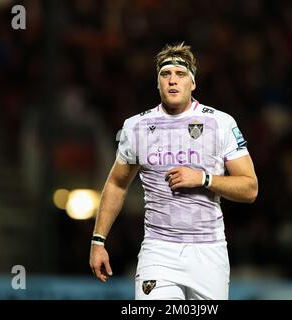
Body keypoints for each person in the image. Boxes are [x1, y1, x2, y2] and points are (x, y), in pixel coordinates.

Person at [89, 42, 258, 300]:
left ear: (193, 83)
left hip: (208, 252)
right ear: (157, 84)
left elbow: (250, 188)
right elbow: (117, 184)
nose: (172, 81)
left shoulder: (220, 123)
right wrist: (98, 241)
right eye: (165, 75)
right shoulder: (136, 127)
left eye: (180, 75)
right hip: (159, 251)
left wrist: (204, 178)